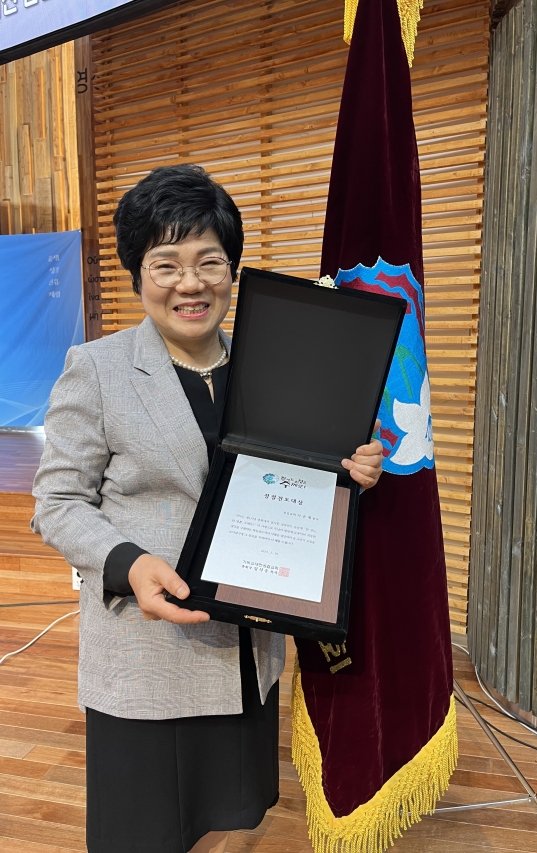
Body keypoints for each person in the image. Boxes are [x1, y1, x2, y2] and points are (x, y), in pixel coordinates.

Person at [31, 164, 384, 853]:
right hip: (147, 652)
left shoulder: (273, 362)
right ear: (138, 272)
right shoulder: (97, 369)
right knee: (143, 832)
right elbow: (57, 501)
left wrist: (349, 477)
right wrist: (128, 564)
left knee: (232, 820)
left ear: (231, 269)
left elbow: (294, 478)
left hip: (244, 650)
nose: (190, 284)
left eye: (208, 262)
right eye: (166, 263)